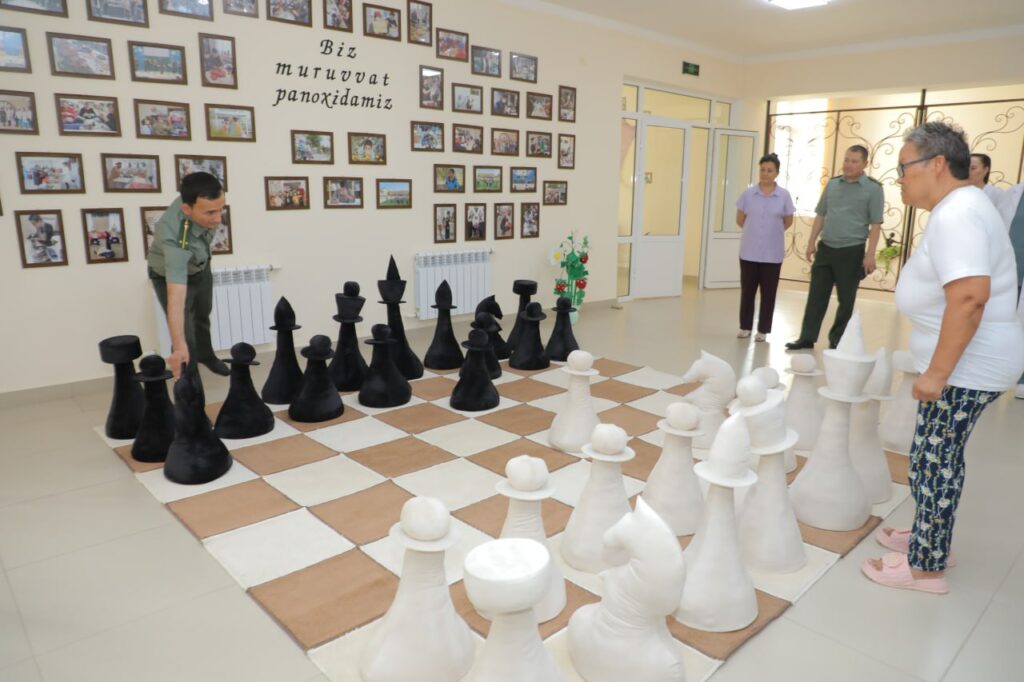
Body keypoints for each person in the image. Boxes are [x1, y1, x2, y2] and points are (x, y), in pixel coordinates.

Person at [862, 121, 1024, 594]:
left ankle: (925, 567)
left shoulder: (959, 214)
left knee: (934, 462)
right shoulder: (961, 207)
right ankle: (929, 538)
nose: (899, 179)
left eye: (903, 168)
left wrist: (936, 373)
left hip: (967, 368)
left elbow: (970, 298)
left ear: (936, 164)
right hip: (967, 364)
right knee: (933, 457)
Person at [786, 145, 884, 350]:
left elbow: (876, 224)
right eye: (847, 160)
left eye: (854, 161)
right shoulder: (832, 185)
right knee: (816, 295)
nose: (848, 164)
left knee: (846, 300)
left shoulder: (873, 189)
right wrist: (811, 242)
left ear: (865, 164)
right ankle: (807, 337)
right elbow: (821, 214)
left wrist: (870, 255)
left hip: (851, 250)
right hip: (826, 248)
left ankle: (838, 339)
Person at [147, 172, 229, 379]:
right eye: (210, 213)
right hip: (167, 274)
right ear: (187, 209)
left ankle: (206, 356)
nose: (218, 218)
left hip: (201, 265)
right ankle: (190, 380)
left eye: (221, 209)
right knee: (185, 332)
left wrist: (211, 212)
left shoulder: (197, 197)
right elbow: (175, 298)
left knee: (203, 314)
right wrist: (179, 347)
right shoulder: (174, 238)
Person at [735, 152, 795, 342]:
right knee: (747, 292)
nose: (765, 173)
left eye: (770, 170)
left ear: (777, 173)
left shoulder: (783, 196)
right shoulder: (748, 194)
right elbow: (740, 219)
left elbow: (788, 221)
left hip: (772, 253)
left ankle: (763, 329)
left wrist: (771, 232)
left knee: (769, 293)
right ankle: (745, 327)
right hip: (749, 252)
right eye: (762, 170)